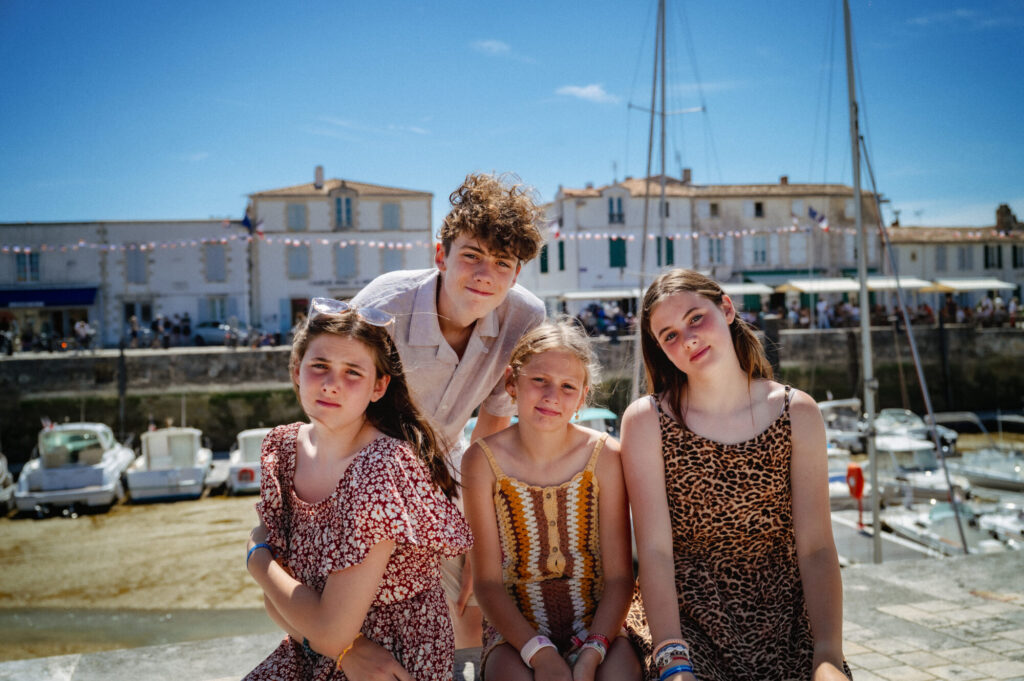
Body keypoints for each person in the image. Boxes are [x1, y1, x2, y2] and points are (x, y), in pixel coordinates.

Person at [348, 171, 546, 658]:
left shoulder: (525, 318)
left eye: (502, 263)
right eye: (472, 255)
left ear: (516, 274)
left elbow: (493, 425)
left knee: (472, 603)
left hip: (448, 466)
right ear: (441, 255)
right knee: (376, 611)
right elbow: (333, 410)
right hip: (363, 469)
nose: (485, 274)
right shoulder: (381, 308)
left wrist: (480, 536)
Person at [620, 269, 850, 681]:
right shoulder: (646, 421)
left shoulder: (797, 412)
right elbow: (655, 552)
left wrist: (828, 655)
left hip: (788, 621)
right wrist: (672, 657)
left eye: (695, 318)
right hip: (686, 621)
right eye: (669, 335)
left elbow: (816, 548)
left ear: (726, 308)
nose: (688, 339)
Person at [244, 297, 473, 681]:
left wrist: (255, 556)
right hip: (318, 647)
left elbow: (327, 627)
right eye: (320, 366)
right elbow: (277, 603)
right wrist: (344, 648)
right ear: (297, 370)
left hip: (394, 662)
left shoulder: (380, 470)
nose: (332, 385)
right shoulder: (282, 449)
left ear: (378, 386)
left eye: (352, 372)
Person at [461, 321, 646, 681]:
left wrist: (592, 651)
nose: (551, 396)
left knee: (620, 674)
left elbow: (620, 577)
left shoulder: (605, 455)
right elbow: (487, 584)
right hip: (516, 627)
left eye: (567, 386)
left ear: (582, 398)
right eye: (539, 380)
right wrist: (540, 654)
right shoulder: (481, 461)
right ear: (512, 382)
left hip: (599, 622)